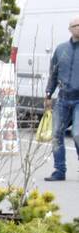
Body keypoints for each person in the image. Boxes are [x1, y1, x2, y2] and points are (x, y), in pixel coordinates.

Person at [44, 16, 79, 181]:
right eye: (76, 25)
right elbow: (54, 74)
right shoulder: (61, 49)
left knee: (77, 133)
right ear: (70, 28)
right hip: (63, 98)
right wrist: (48, 93)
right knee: (56, 133)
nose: (78, 27)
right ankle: (59, 170)